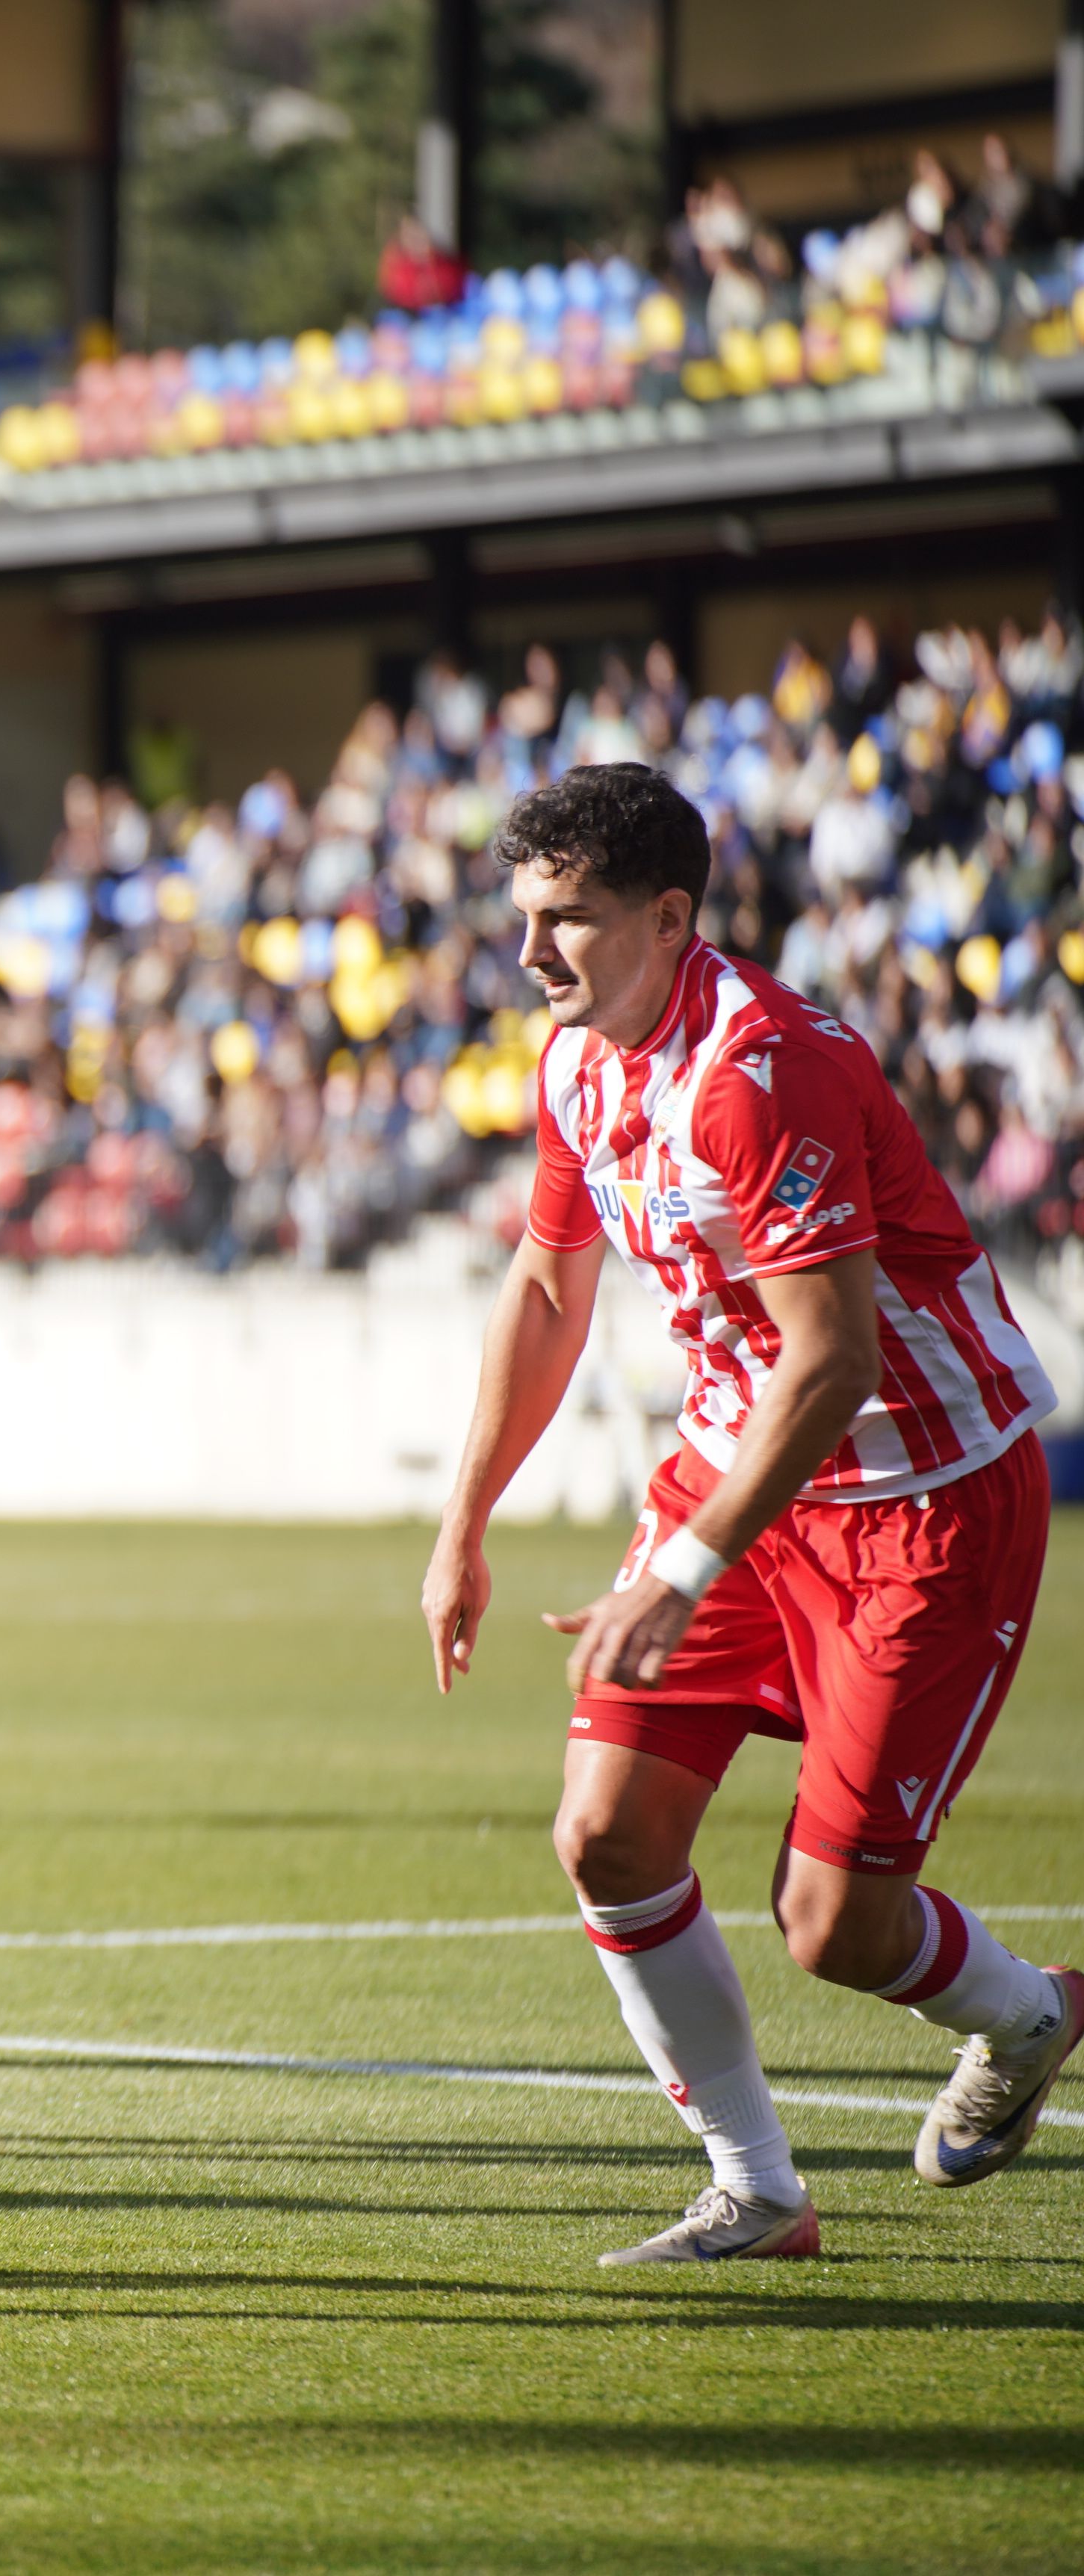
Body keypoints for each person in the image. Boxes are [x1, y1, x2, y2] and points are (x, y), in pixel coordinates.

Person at [421, 764, 1073, 2266]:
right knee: (603, 1833)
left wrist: (685, 1561)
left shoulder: (754, 1069)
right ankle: (758, 2188)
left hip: (923, 1497)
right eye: (522, 918)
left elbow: (832, 1356)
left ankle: (1035, 2010)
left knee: (832, 1921)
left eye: (565, 922)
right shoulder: (578, 1059)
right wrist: (464, 1523)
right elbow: (543, 1285)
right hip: (739, 1473)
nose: (530, 957)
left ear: (668, 916)